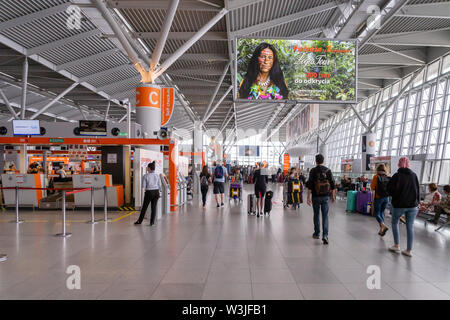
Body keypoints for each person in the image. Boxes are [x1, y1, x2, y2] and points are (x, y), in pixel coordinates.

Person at [387, 157, 420, 257]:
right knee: (410, 226)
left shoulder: (397, 176)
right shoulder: (414, 175)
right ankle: (409, 250)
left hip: (399, 205)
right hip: (413, 206)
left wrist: (395, 197)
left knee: (395, 222)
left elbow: (389, 190)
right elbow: (417, 190)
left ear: (399, 164)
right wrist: (417, 202)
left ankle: (396, 245)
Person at [306, 154, 336, 245]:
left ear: (316, 161)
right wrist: (333, 196)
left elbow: (310, 185)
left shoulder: (313, 171)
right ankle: (325, 235)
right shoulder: (328, 170)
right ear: (323, 161)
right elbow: (333, 184)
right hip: (325, 196)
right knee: (325, 216)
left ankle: (317, 233)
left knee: (316, 214)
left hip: (315, 196)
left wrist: (308, 197)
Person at [135, 162, 161, 226]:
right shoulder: (157, 175)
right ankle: (152, 223)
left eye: (147, 167)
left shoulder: (145, 176)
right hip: (156, 192)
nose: (147, 168)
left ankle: (139, 221)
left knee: (144, 207)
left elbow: (143, 186)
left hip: (149, 192)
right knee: (153, 207)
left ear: (149, 168)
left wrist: (145, 191)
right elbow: (159, 185)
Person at [370, 164, 390, 237]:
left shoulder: (376, 177)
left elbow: (372, 187)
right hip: (386, 198)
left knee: (377, 213)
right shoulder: (388, 177)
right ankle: (381, 230)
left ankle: (383, 225)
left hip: (378, 197)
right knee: (382, 212)